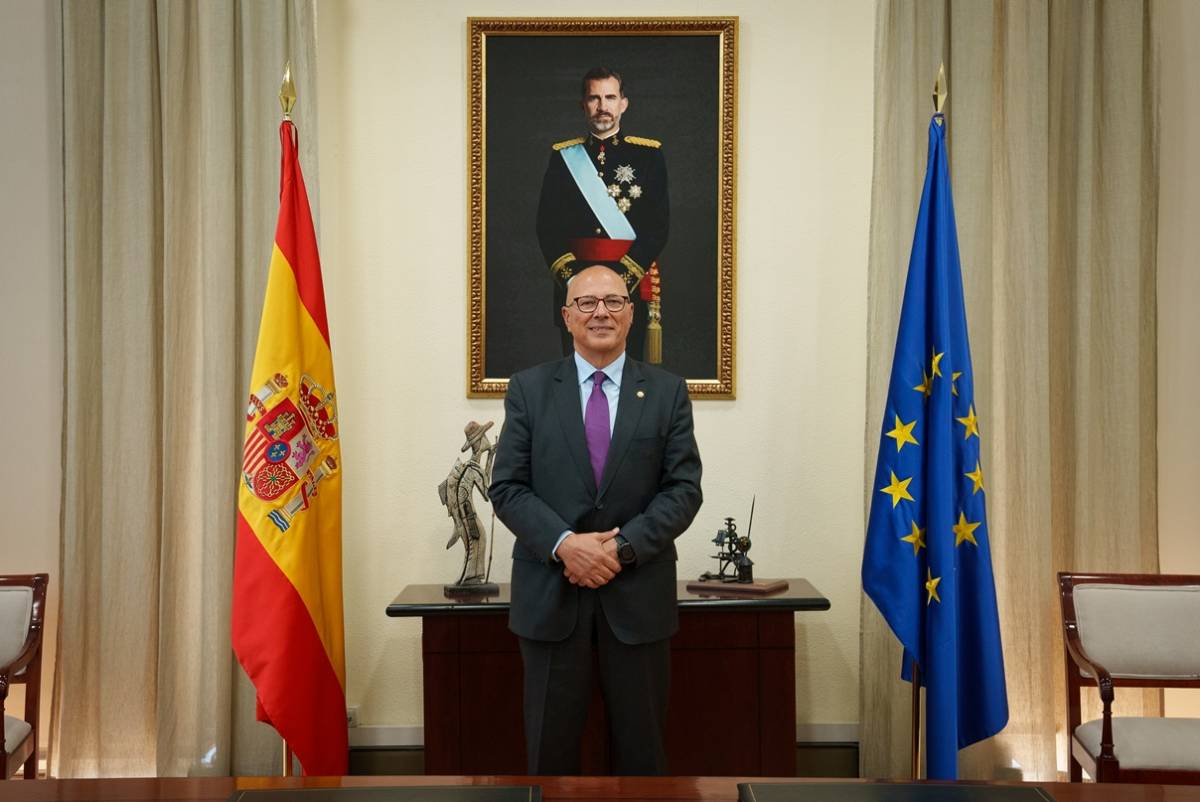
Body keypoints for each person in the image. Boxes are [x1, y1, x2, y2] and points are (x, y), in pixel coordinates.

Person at [489, 265, 702, 776]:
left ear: (632, 313)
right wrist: (566, 544)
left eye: (613, 301)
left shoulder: (668, 391)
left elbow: (683, 490)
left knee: (642, 756)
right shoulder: (529, 389)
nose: (600, 312)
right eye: (586, 303)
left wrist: (620, 548)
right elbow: (508, 488)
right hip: (550, 601)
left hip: (638, 600)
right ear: (566, 317)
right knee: (549, 754)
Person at [536, 67, 669, 360]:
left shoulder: (649, 156)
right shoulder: (563, 158)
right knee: (573, 381)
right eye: (594, 98)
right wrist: (575, 282)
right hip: (575, 290)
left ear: (623, 103)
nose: (602, 106)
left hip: (627, 287)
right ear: (583, 105)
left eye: (610, 97)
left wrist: (621, 281)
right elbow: (547, 228)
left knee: (628, 380)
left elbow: (657, 227)